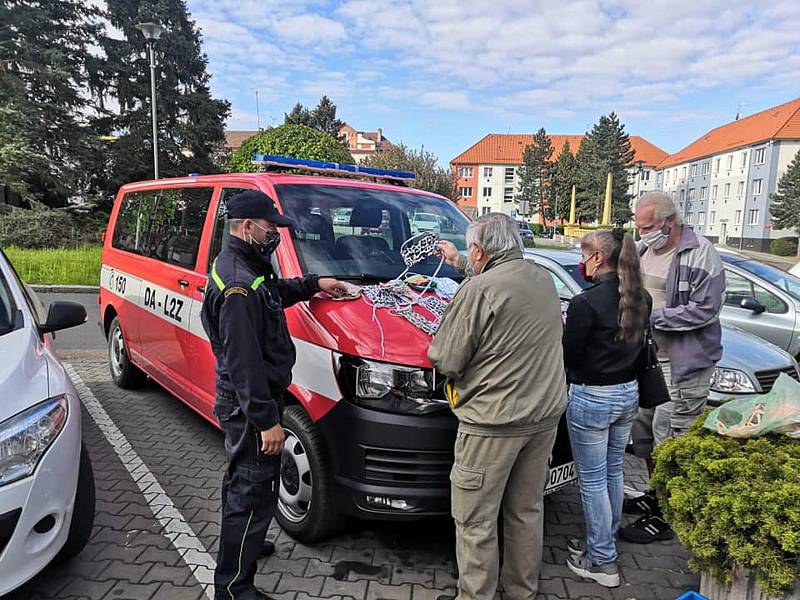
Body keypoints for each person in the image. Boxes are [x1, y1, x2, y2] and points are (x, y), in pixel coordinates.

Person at [201, 190, 348, 600]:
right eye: (271, 229)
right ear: (247, 227)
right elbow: (243, 362)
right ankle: (233, 587)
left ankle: (248, 541)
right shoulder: (237, 286)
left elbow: (275, 292)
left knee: (247, 484)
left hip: (252, 398)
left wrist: (315, 283)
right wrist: (267, 421)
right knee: (250, 488)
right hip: (250, 404)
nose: (276, 236)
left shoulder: (247, 265)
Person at [430, 213, 567, 600]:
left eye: (470, 251)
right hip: (543, 418)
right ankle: (522, 592)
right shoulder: (541, 277)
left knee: (475, 520)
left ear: (478, 250)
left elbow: (446, 358)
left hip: (493, 423)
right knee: (526, 513)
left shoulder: (479, 290)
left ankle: (476, 596)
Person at [621, 191, 725, 544]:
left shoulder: (701, 254)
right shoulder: (643, 250)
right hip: (649, 362)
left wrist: (653, 317)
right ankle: (655, 495)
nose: (642, 231)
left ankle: (670, 513)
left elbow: (705, 310)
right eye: (638, 225)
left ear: (669, 222)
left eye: (648, 226)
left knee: (673, 437)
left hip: (683, 365)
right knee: (646, 436)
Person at [562, 229, 651, 587]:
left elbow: (570, 355)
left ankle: (602, 561)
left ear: (598, 257)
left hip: (593, 397)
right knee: (614, 471)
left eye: (584, 255)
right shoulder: (640, 296)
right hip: (627, 394)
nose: (581, 262)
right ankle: (604, 542)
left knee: (593, 481)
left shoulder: (586, 302)